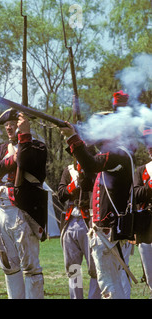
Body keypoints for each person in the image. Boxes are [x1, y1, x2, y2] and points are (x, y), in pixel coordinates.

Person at [59, 91, 135, 299]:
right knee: (108, 284)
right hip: (104, 232)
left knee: (110, 286)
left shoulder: (117, 154)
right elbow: (87, 163)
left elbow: (90, 162)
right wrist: (74, 135)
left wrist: (72, 137)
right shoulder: (115, 154)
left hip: (110, 233)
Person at [0, 108, 48, 299]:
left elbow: (24, 160)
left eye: (13, 124)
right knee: (9, 266)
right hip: (1, 209)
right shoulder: (3, 149)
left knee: (30, 266)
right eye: (7, 125)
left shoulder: (37, 147)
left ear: (22, 125)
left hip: (23, 210)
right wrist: (11, 159)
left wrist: (25, 138)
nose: (9, 128)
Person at [57, 158, 101, 299]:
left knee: (95, 268)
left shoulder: (94, 169)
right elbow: (61, 194)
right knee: (73, 268)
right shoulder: (69, 170)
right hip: (70, 220)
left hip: (88, 222)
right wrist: (74, 184)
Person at [132, 126, 152, 298]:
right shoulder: (141, 170)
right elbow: (135, 195)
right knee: (150, 275)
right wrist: (150, 185)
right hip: (146, 227)